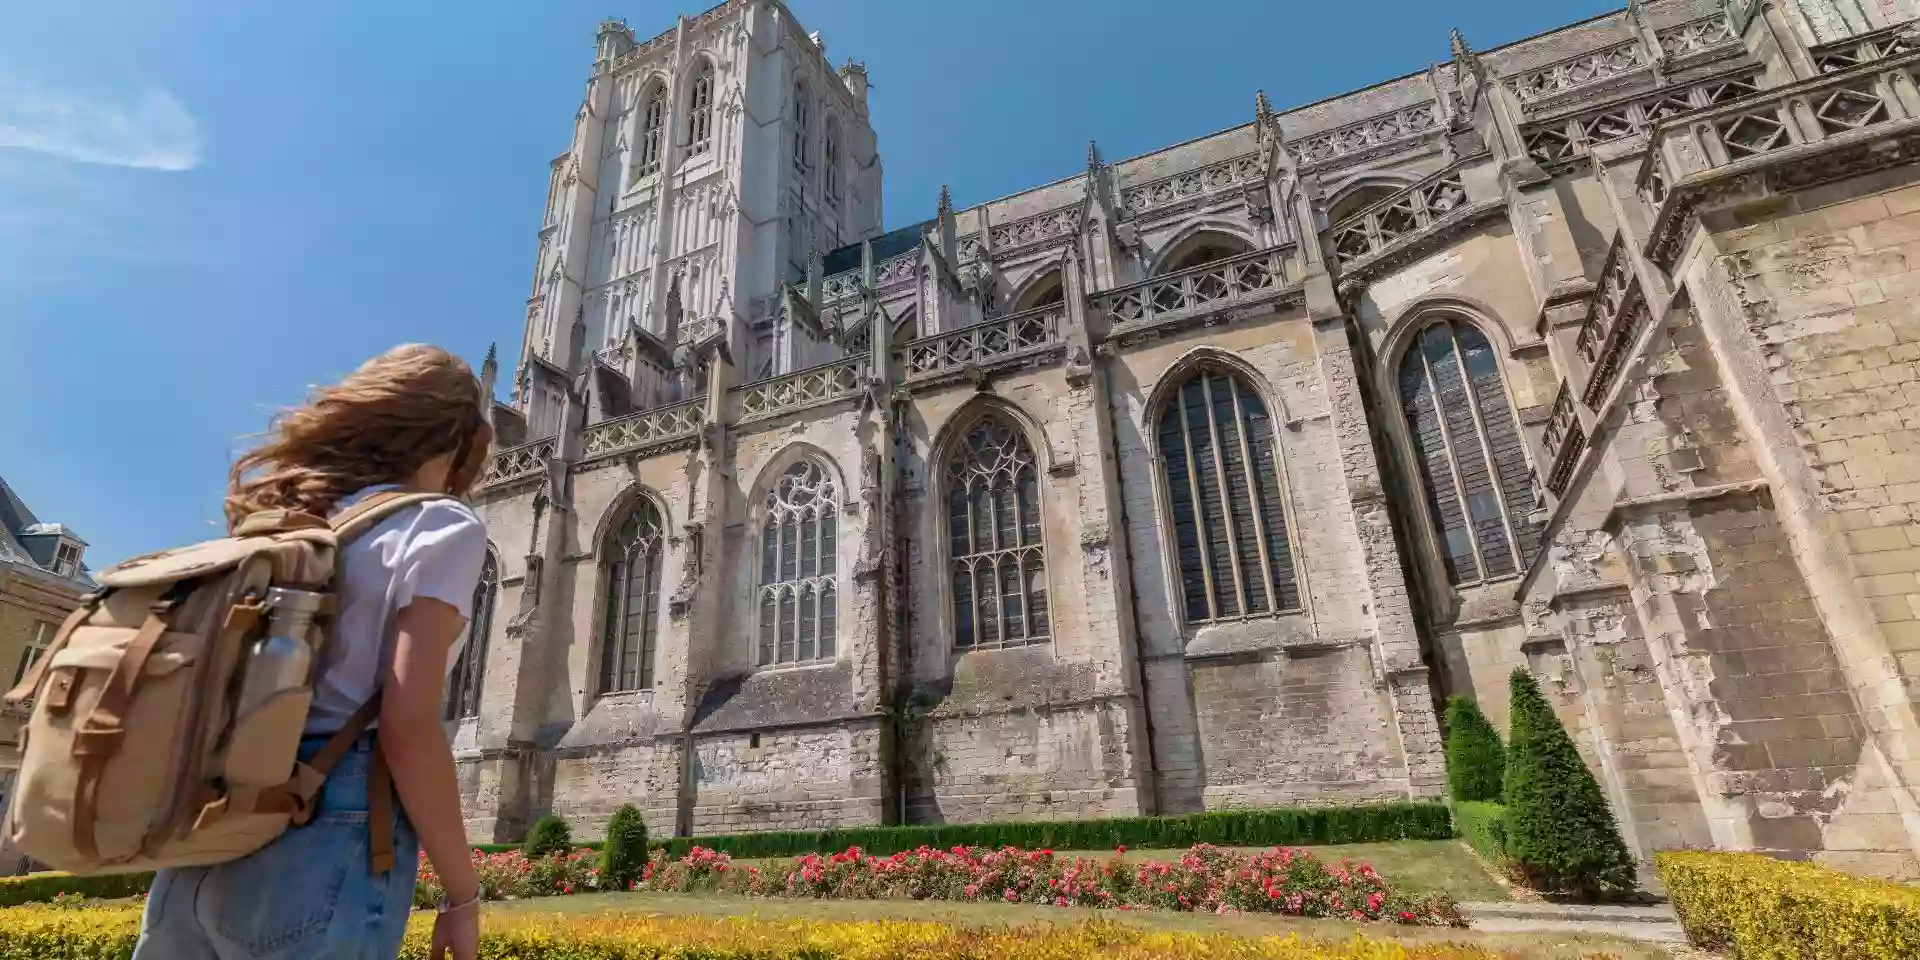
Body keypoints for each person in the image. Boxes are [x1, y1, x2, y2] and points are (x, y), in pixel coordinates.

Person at [133, 344, 493, 960]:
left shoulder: (294, 518)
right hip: (328, 820)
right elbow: (406, 730)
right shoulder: (440, 526)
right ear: (461, 435)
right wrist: (462, 896)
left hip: (209, 829)